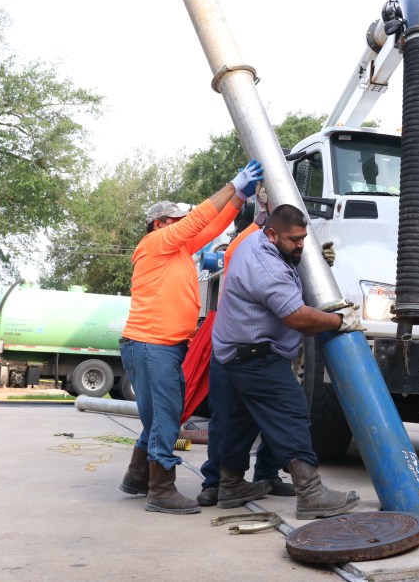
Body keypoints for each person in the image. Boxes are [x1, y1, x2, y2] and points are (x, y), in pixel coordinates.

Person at [118, 159, 264, 515]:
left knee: (160, 417)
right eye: (175, 220)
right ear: (159, 224)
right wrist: (233, 185)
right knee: (167, 417)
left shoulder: (177, 249)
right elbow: (200, 219)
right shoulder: (155, 243)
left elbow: (210, 227)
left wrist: (238, 200)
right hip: (152, 345)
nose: (182, 224)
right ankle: (161, 490)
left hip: (160, 346)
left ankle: (138, 478)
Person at [211, 203, 364, 519]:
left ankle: (230, 485)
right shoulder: (266, 268)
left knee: (239, 422)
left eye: (303, 238)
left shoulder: (256, 241)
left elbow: (285, 272)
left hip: (233, 352)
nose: (301, 245)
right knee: (292, 415)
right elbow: (297, 317)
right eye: (295, 239)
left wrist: (313, 262)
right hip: (256, 356)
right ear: (272, 234)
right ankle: (311, 493)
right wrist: (340, 321)